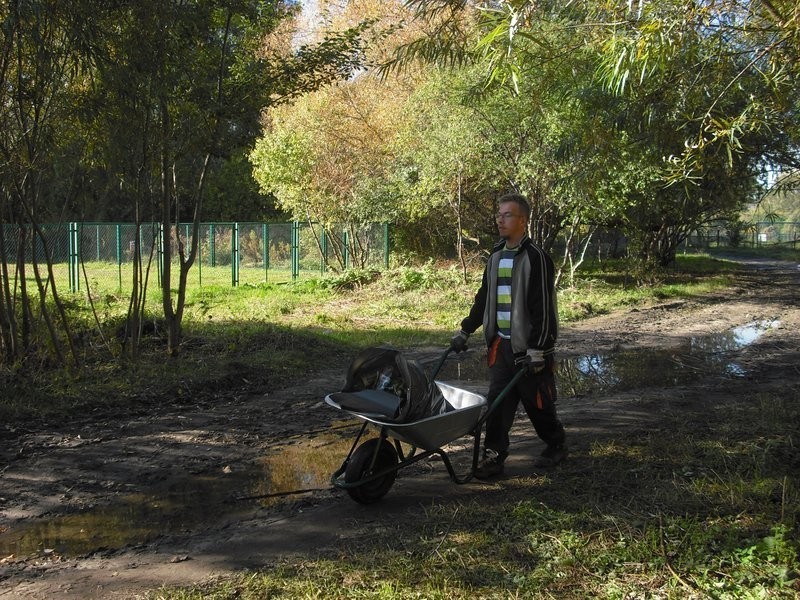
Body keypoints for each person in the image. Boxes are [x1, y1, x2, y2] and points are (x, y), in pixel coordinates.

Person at [451, 192, 567, 479]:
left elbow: (543, 308)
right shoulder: (496, 256)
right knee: (498, 404)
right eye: (499, 215)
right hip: (501, 346)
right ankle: (494, 457)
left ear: (523, 221)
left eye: (508, 215)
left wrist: (539, 349)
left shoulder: (536, 258)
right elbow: (484, 298)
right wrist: (466, 330)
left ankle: (556, 443)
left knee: (537, 403)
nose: (501, 220)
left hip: (530, 349)